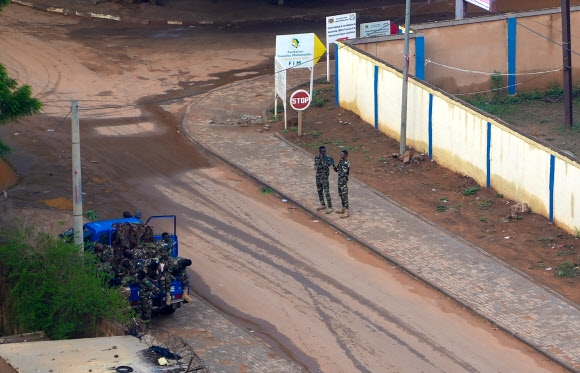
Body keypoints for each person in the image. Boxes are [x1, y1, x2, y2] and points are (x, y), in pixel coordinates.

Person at [314, 145, 333, 214]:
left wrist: (322, 161)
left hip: (324, 177)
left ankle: (330, 206)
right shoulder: (316, 158)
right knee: (320, 191)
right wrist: (323, 163)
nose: (324, 152)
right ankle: (323, 204)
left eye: (325, 151)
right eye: (322, 151)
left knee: (326, 192)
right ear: (319, 151)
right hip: (318, 177)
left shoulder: (328, 158)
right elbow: (316, 167)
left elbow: (330, 164)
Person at [333, 149, 350, 218]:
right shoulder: (341, 161)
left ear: (345, 155)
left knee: (344, 196)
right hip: (339, 181)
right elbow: (337, 170)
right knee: (341, 195)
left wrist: (340, 170)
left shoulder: (347, 163)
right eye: (340, 154)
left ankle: (347, 211)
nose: (340, 155)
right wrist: (333, 164)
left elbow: (344, 172)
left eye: (342, 154)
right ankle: (343, 209)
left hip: (343, 182)